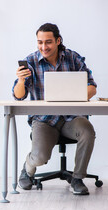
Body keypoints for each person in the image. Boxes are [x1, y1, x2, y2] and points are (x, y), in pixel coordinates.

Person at [12, 23, 97, 195]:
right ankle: (27, 168)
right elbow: (18, 96)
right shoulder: (31, 61)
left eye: (48, 42)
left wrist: (74, 96)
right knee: (40, 157)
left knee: (87, 131)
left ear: (58, 41)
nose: (44, 47)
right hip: (44, 119)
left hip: (71, 117)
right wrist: (21, 81)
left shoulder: (73, 58)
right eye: (40, 42)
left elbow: (92, 87)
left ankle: (78, 179)